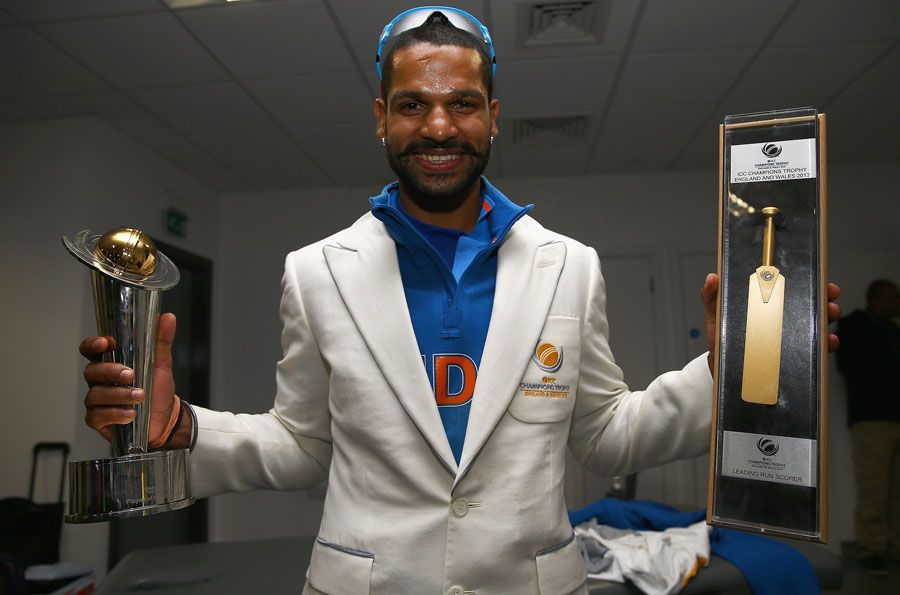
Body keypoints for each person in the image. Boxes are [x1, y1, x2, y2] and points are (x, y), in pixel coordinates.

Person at [79, 8, 841, 593]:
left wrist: (725, 371)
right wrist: (177, 427)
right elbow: (302, 444)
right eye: (411, 105)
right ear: (380, 117)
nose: (438, 126)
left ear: (494, 116)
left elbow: (607, 437)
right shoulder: (317, 272)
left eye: (462, 103)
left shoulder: (569, 266)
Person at [836, 279, 900, 577]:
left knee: (896, 489)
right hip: (871, 418)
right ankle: (871, 549)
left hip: (893, 416)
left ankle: (894, 546)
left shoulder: (892, 330)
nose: (896, 302)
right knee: (873, 487)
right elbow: (850, 366)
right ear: (877, 298)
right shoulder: (854, 326)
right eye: (892, 297)